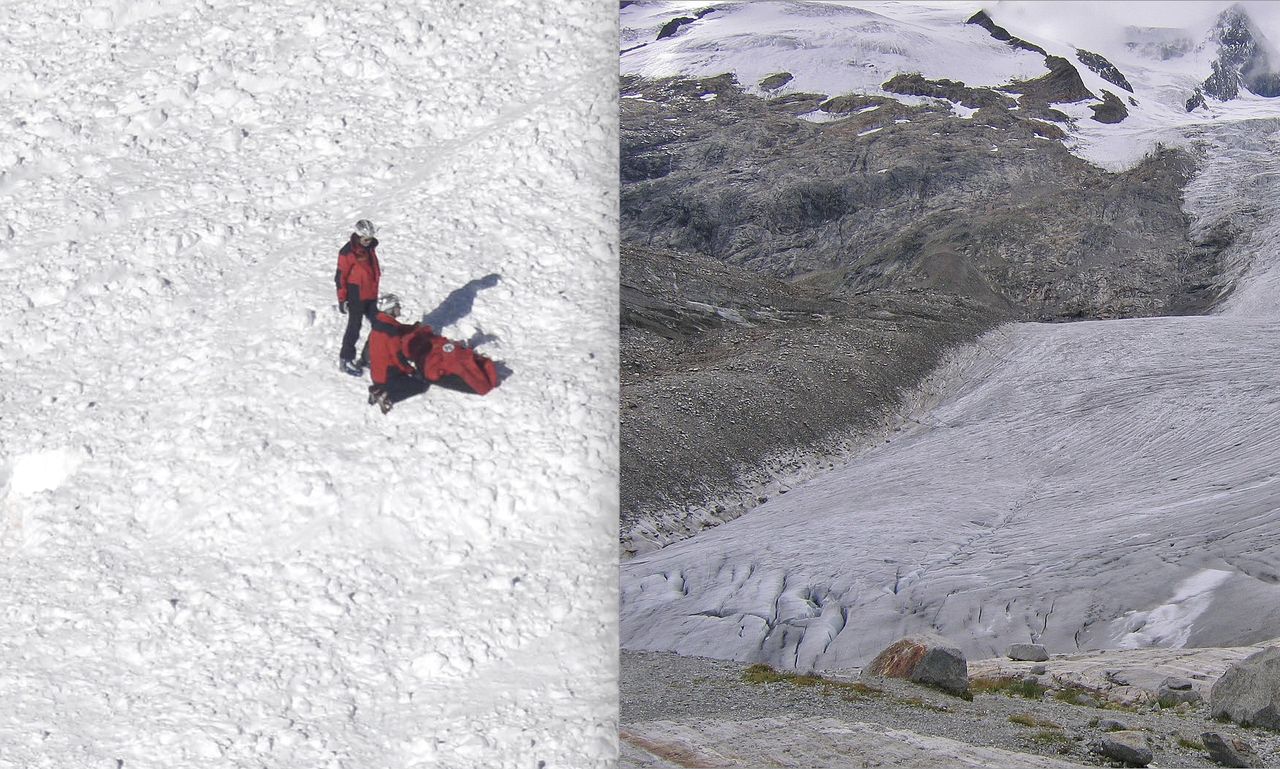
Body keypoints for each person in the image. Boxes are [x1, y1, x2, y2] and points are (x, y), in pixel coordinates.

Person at [365, 293, 429, 414]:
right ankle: (387, 397)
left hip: (377, 374)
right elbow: (398, 358)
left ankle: (378, 390)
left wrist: (413, 328)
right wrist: (412, 371)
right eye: (397, 306)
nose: (399, 308)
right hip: (388, 375)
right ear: (391, 309)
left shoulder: (380, 324)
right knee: (421, 385)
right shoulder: (391, 332)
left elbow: (399, 329)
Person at [335, 219, 381, 376]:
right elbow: (340, 277)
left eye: (370, 238)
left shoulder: (370, 249)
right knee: (354, 327)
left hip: (371, 294)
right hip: (356, 295)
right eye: (365, 239)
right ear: (358, 236)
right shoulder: (347, 253)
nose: (368, 242)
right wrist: (342, 300)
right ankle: (345, 359)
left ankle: (369, 357)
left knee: (380, 325)